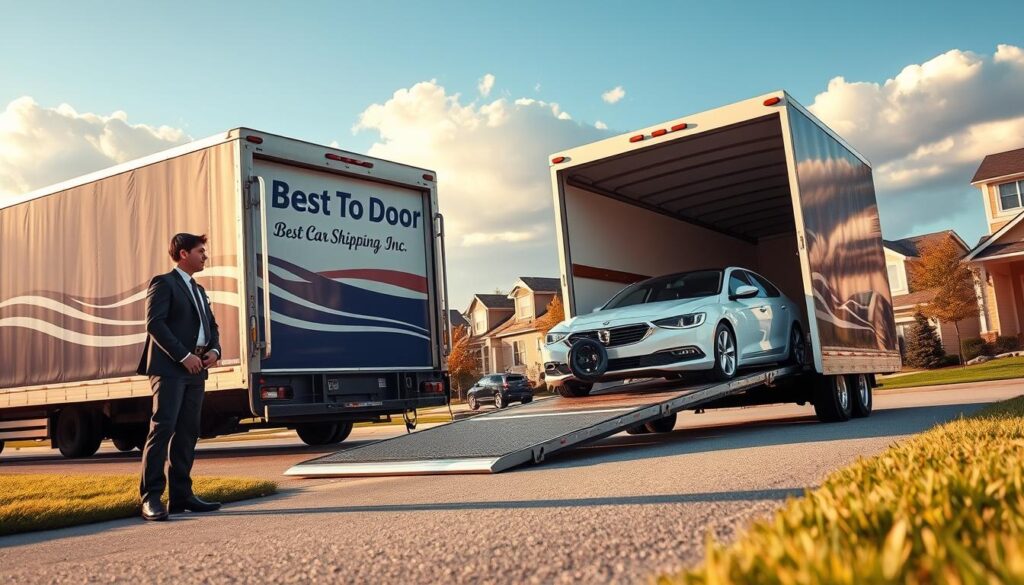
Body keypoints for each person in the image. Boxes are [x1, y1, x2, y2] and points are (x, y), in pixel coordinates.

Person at [137, 233, 222, 521]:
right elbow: (155, 324)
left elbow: (212, 326)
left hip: (197, 369)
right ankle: (150, 497)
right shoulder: (164, 283)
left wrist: (214, 350)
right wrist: (183, 356)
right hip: (171, 368)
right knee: (163, 430)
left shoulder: (198, 289)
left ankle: (182, 495)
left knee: (188, 432)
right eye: (201, 251)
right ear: (183, 253)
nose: (205, 256)